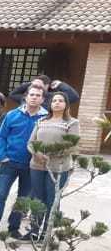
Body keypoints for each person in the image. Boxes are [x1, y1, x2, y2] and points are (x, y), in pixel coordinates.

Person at [0, 84, 48, 240]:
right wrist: (2, 155)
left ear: (43, 99)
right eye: (31, 94)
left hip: (31, 165)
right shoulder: (12, 115)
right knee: (0, 195)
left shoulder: (46, 118)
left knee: (23, 199)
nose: (34, 97)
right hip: (9, 162)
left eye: (38, 95)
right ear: (26, 97)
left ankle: (13, 228)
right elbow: (1, 136)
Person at [26, 92, 81, 240]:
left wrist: (53, 154)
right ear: (50, 104)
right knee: (38, 199)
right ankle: (34, 231)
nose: (57, 103)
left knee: (52, 200)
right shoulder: (41, 121)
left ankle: (47, 233)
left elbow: (73, 145)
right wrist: (37, 154)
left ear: (66, 104)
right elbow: (31, 142)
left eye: (60, 100)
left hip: (59, 167)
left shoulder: (72, 123)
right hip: (37, 166)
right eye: (54, 100)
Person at [9, 74, 79, 106]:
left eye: (38, 85)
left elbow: (74, 97)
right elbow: (12, 94)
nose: (34, 97)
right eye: (34, 85)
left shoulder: (52, 97)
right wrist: (29, 83)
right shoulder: (26, 97)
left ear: (46, 86)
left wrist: (61, 84)